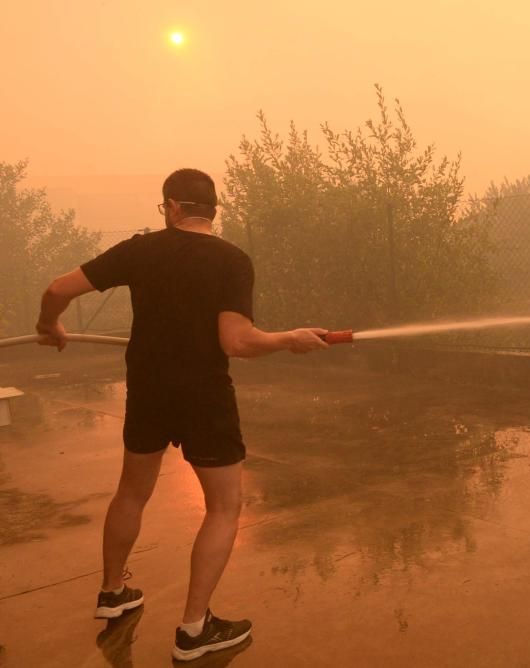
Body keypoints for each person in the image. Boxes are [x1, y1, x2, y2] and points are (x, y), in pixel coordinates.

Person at [35, 168, 329, 661]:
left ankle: (113, 594)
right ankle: (195, 629)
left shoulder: (138, 250)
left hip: (148, 390)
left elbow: (57, 290)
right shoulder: (232, 260)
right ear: (212, 210)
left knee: (132, 491)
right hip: (203, 397)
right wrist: (289, 339)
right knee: (222, 506)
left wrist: (50, 325)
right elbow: (235, 342)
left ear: (172, 208)